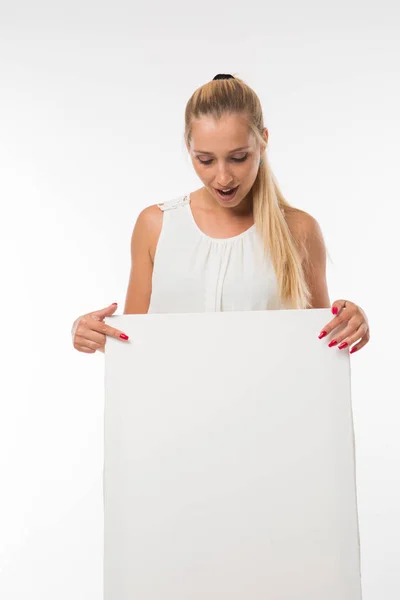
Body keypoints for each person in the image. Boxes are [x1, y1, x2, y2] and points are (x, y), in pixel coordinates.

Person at [71, 73, 370, 356]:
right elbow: (136, 344)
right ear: (189, 147)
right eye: (205, 160)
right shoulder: (155, 225)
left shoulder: (299, 230)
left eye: (239, 158)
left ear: (263, 141)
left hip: (269, 409)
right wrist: (90, 333)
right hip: (173, 407)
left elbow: (317, 345)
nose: (223, 178)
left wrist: (351, 322)